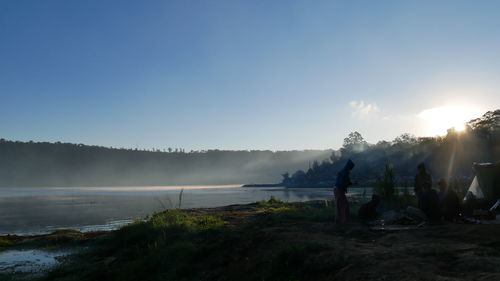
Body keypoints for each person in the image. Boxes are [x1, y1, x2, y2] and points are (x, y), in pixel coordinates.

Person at [334, 159, 357, 224]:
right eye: (351, 168)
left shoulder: (343, 171)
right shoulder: (345, 172)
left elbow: (346, 182)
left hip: (337, 189)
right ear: (349, 167)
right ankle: (345, 221)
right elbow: (344, 182)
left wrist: (352, 183)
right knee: (344, 205)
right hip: (339, 190)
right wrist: (352, 183)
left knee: (339, 205)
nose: (351, 169)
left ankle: (339, 220)